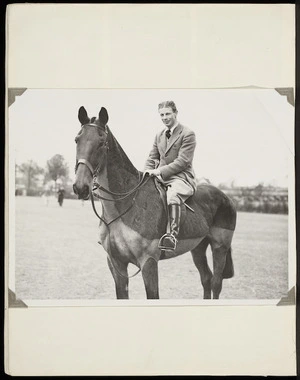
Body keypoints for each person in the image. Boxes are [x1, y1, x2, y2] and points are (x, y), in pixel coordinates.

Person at [144, 101, 197, 250]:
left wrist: (159, 171)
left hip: (181, 177)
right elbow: (152, 157)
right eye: (162, 115)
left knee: (172, 195)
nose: (165, 117)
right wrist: (146, 173)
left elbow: (183, 161)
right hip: (160, 176)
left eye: (168, 114)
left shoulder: (187, 134)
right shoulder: (159, 135)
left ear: (175, 113)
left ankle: (172, 236)